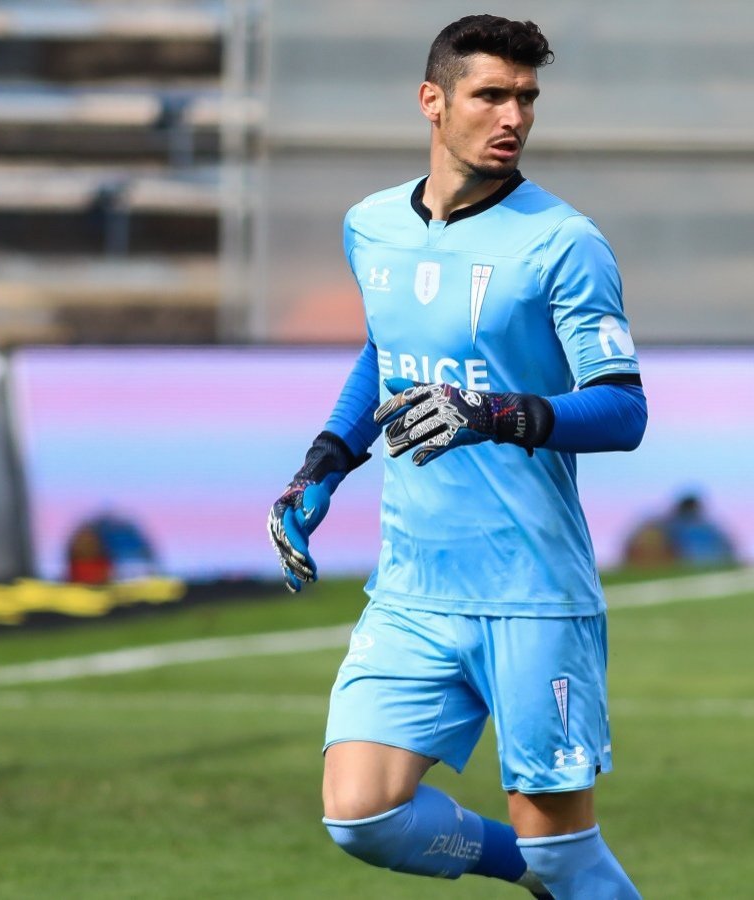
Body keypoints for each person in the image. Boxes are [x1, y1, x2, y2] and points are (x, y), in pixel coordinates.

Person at [266, 15, 646, 899]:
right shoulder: (370, 227)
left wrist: (497, 412)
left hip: (530, 593)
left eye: (526, 98)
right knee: (360, 814)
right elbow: (385, 352)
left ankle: (559, 870)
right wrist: (323, 464)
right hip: (413, 589)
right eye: (491, 95)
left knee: (565, 846)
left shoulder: (563, 243)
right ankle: (542, 874)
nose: (512, 115)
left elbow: (622, 409)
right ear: (433, 102)